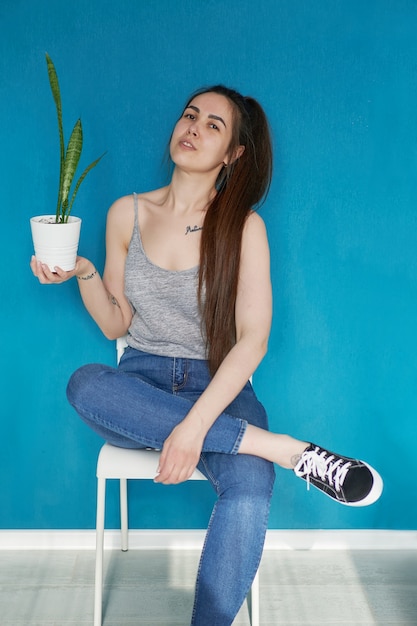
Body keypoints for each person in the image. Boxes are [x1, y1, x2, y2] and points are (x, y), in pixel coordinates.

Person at [31, 85, 383, 626]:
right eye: (190, 115)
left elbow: (253, 341)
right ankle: (287, 450)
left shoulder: (244, 226)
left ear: (233, 154)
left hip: (220, 390)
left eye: (213, 125)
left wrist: (196, 427)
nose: (193, 127)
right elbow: (115, 322)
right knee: (84, 382)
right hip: (139, 388)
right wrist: (83, 271)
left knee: (249, 485)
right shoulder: (128, 212)